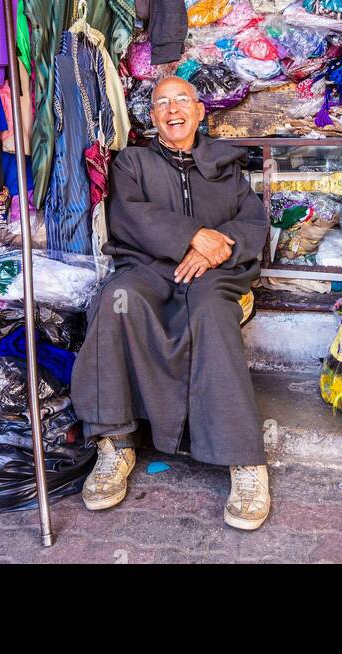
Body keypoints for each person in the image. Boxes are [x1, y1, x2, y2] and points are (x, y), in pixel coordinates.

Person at [71, 75, 272, 529]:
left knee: (211, 312)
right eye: (162, 102)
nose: (172, 108)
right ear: (153, 116)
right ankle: (114, 443)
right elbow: (130, 215)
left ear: (201, 111)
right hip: (150, 268)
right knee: (116, 300)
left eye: (182, 100)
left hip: (215, 274)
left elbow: (253, 223)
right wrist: (188, 237)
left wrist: (215, 246)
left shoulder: (226, 166)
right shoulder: (132, 163)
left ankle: (245, 462)